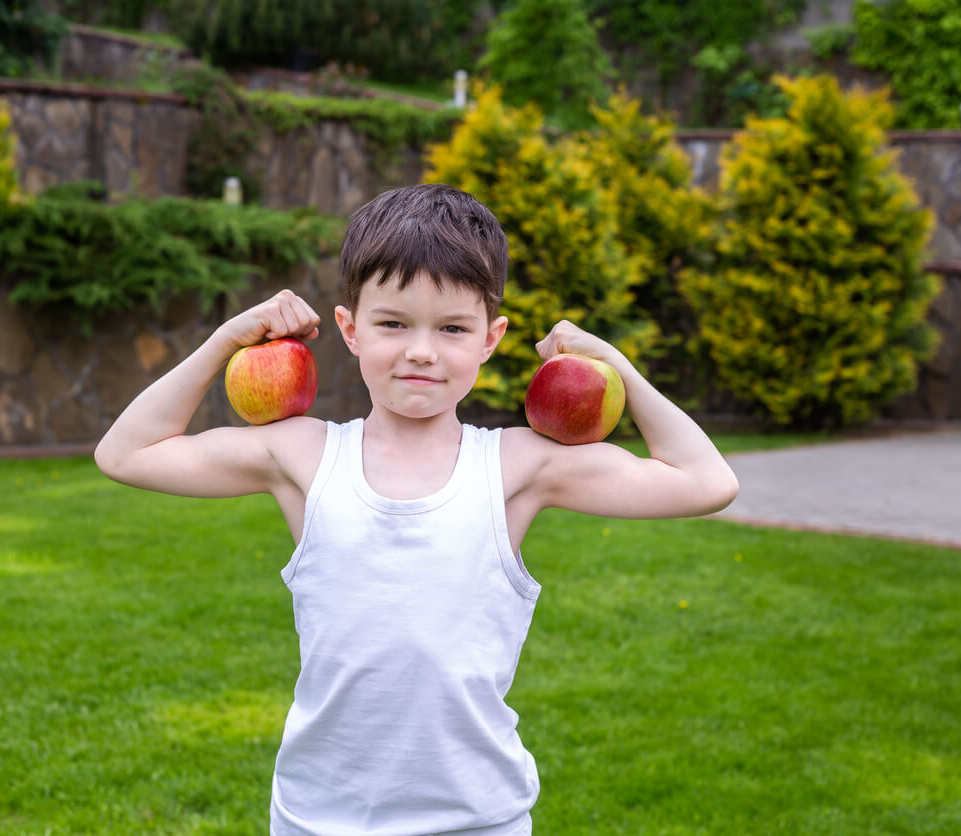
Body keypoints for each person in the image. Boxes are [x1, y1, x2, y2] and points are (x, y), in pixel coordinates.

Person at [94, 183, 739, 835]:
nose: (422, 351)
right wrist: (226, 340)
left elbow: (705, 481)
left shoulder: (519, 466)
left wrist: (616, 366)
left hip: (476, 817)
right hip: (319, 816)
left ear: (491, 338)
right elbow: (126, 452)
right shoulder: (304, 454)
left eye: (452, 328)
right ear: (350, 329)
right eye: (394, 323)